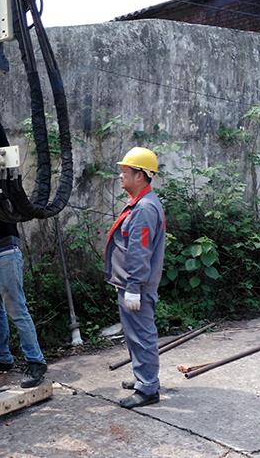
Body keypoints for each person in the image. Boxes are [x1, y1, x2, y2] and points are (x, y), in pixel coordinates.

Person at [0, 92, 47, 388]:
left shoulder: (5, 183)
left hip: (6, 253)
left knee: (16, 308)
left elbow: (3, 146)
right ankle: (2, 356)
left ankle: (36, 362)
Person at [104, 146, 166, 409]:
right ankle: (144, 377)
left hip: (136, 285)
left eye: (125, 172)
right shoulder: (140, 204)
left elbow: (139, 252)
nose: (121, 176)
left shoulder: (144, 209)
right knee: (134, 335)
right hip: (132, 283)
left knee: (142, 335)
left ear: (140, 175)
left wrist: (133, 286)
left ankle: (148, 388)